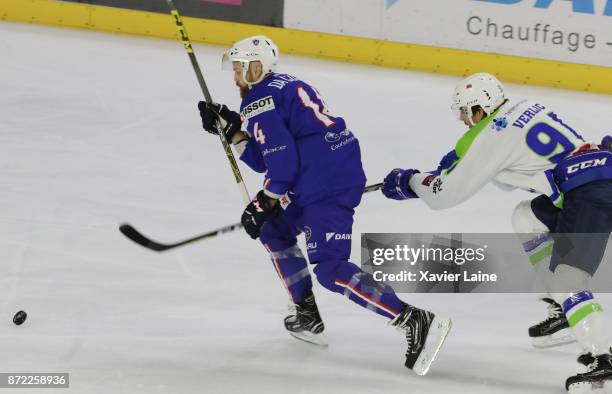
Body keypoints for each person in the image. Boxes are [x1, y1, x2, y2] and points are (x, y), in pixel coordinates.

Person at [197, 35, 451, 375]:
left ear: (257, 68)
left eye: (240, 68)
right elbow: (269, 160)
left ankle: (413, 319)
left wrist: (266, 199)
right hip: (323, 174)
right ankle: (307, 313)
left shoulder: (258, 99)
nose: (236, 76)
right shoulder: (284, 86)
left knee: (330, 268)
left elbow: (281, 162)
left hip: (322, 184)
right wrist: (234, 133)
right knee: (274, 229)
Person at [381, 72, 612, 393]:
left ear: (480, 107)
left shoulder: (489, 135)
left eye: (465, 111)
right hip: (590, 178)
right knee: (526, 217)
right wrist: (464, 164)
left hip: (594, 193)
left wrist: (411, 182)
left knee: (569, 283)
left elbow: (443, 197)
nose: (463, 120)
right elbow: (511, 172)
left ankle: (604, 362)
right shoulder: (523, 106)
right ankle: (565, 311)